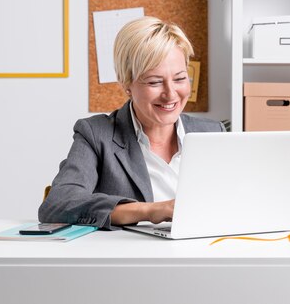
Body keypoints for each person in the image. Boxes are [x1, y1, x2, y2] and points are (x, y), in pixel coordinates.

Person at [38, 17, 225, 230]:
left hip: (204, 255)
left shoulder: (212, 133)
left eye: (180, 79)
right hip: (131, 259)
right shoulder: (96, 135)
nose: (170, 94)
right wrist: (151, 210)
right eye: (154, 82)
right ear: (126, 83)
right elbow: (57, 204)